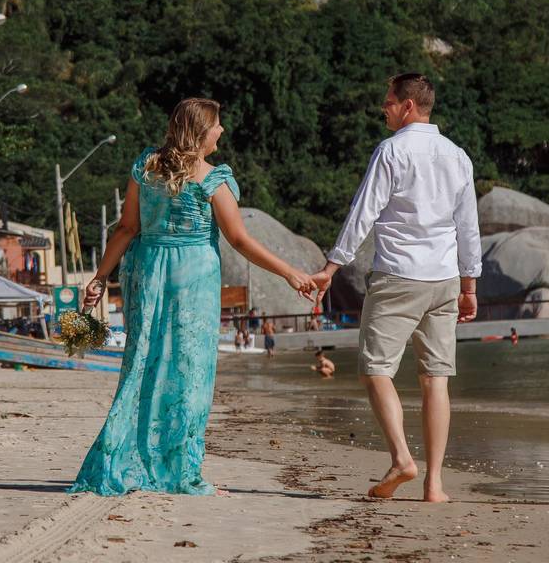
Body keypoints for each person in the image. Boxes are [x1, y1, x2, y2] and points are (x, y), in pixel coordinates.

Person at [69, 98, 316, 497]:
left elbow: (126, 228)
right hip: (194, 276)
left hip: (148, 271)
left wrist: (99, 277)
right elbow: (239, 239)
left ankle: (127, 458)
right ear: (201, 132)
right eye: (217, 125)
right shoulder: (212, 178)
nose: (222, 131)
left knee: (144, 364)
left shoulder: (146, 167)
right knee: (188, 371)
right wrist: (290, 272)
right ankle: (179, 470)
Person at [311, 73, 482, 503]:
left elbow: (363, 213)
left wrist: (332, 267)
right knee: (436, 379)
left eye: (388, 102)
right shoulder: (458, 156)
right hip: (444, 279)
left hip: (399, 276)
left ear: (408, 106)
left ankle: (402, 458)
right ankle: (435, 485)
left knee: (375, 369)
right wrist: (470, 283)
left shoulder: (391, 151)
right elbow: (468, 226)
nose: (383, 108)